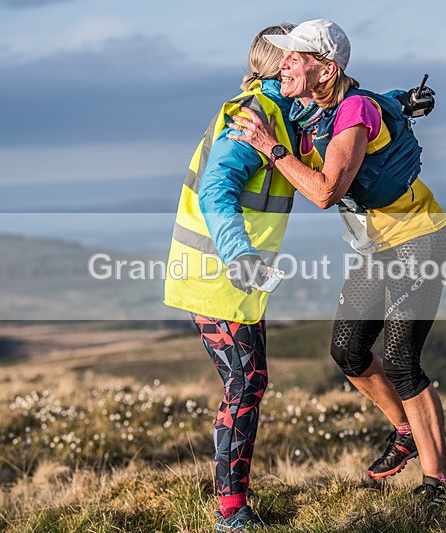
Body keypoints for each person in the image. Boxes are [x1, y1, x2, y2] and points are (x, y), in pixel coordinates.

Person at [228, 19, 446, 506]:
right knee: (348, 351)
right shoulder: (313, 105)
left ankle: (437, 486)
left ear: (326, 70)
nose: (284, 63)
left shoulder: (351, 112)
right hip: (376, 248)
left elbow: (326, 191)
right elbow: (379, 99)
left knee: (400, 359)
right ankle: (406, 432)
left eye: (295, 57)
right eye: (284, 56)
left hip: (420, 239)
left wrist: (269, 148)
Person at [163, 23, 297, 532]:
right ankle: (231, 513)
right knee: (245, 383)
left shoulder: (281, 110)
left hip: (232, 277)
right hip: (219, 273)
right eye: (294, 57)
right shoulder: (255, 115)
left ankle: (233, 505)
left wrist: (394, 103)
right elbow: (215, 191)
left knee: (248, 382)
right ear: (279, 65)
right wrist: (241, 256)